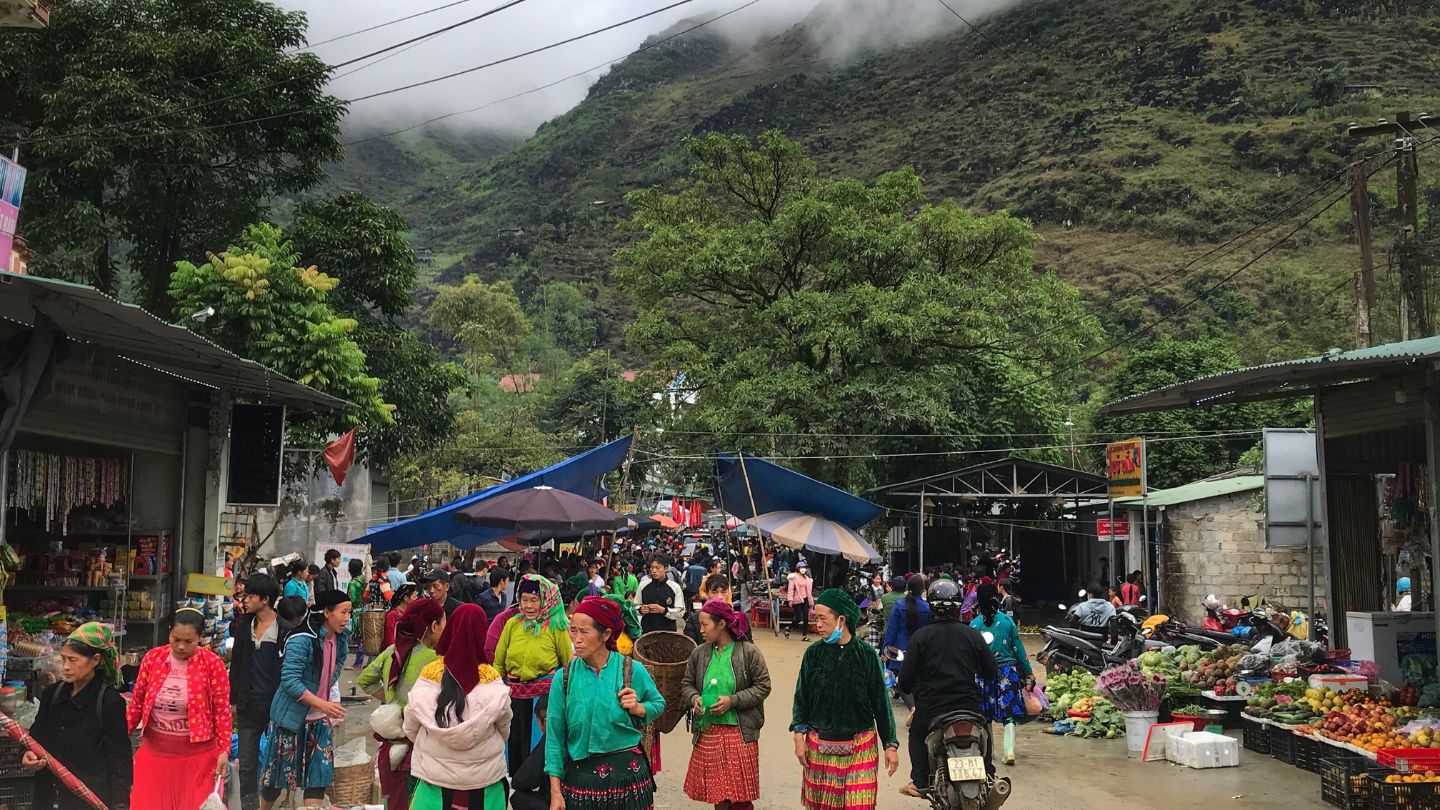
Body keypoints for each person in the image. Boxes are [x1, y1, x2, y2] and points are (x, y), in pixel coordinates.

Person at [546, 597, 665, 810]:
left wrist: (639, 708)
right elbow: (554, 737)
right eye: (573, 631)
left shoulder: (630, 669)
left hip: (629, 780)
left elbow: (658, 703)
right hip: (581, 782)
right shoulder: (564, 678)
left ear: (606, 634)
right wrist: (555, 791)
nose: (576, 640)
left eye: (584, 632)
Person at [791, 589, 899, 809]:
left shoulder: (866, 655)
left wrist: (890, 745)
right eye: (815, 618)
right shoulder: (813, 654)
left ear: (842, 619)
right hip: (819, 745)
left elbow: (881, 704)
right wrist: (798, 736)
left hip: (861, 745)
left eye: (823, 618)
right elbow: (801, 698)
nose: (818, 625)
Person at [404, 603, 513, 810]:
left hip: (433, 783)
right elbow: (504, 729)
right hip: (485, 785)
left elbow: (410, 726)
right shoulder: (492, 679)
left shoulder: (429, 675)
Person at [897, 579, 996, 797]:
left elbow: (904, 681)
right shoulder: (973, 635)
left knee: (916, 734)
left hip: (932, 708)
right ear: (958, 606)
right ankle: (989, 775)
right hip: (969, 706)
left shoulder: (920, 637)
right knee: (985, 730)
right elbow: (991, 672)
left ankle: (920, 782)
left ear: (931, 605)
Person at [127, 609, 232, 810]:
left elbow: (222, 711)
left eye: (189, 641)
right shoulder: (153, 658)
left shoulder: (212, 665)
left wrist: (223, 751)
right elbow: (137, 704)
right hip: (154, 753)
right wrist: (121, 738)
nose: (181, 646)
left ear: (200, 638)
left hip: (198, 759)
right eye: (176, 639)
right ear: (169, 634)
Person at [259, 589, 352, 809]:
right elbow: (290, 681)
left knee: (318, 779)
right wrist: (323, 704)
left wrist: (325, 702)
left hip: (319, 720)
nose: (347, 618)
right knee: (276, 780)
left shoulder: (340, 640)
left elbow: (334, 669)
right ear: (327, 613)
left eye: (349, 612)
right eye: (343, 612)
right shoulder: (301, 640)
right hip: (291, 720)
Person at [26, 623, 132, 810]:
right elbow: (37, 736)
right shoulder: (53, 694)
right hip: (48, 796)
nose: (66, 667)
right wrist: (28, 754)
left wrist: (120, 805)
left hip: (89, 799)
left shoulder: (109, 702)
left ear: (95, 660)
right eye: (63, 659)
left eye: (73, 660)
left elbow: (120, 759)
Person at [682, 599, 772, 810]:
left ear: (721, 624)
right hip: (708, 731)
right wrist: (695, 698)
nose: (701, 630)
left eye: (705, 624)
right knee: (718, 796)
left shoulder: (748, 652)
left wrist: (732, 701)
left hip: (739, 733)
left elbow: (763, 686)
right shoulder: (699, 653)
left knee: (739, 797)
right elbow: (686, 684)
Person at [358, 597, 446, 810]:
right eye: (444, 623)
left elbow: (364, 679)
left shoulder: (392, 652)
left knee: (394, 802)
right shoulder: (435, 660)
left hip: (390, 745)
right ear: (433, 626)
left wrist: (391, 701)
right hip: (418, 745)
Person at [494, 574, 573, 774]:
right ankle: (514, 779)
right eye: (524, 599)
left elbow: (567, 662)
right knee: (514, 741)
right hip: (514, 695)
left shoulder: (557, 626)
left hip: (544, 697)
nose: (528, 606)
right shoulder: (513, 624)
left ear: (545, 600)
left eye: (534, 600)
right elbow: (499, 661)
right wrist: (494, 687)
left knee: (538, 746)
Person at [230, 574, 294, 810]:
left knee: (276, 761)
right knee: (246, 763)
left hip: (275, 706)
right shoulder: (243, 626)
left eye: (249, 596)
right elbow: (236, 666)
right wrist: (233, 700)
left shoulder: (285, 630)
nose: (244, 600)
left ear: (265, 599)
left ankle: (268, 802)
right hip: (248, 704)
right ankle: (249, 806)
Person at [971, 582, 1032, 766]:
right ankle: (1009, 751)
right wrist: (1028, 672)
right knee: (1009, 714)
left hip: (983, 674)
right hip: (1008, 672)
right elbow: (1019, 650)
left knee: (985, 715)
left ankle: (988, 754)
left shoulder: (974, 625)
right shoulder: (1007, 621)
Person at [883, 574, 930, 709]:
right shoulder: (927, 608)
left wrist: (886, 650)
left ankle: (912, 706)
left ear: (908, 588)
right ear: (923, 590)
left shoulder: (898, 606)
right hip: (920, 649)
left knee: (902, 679)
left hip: (900, 649)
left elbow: (892, 630)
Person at [509, 694, 552, 810]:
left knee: (517, 797)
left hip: (559, 801)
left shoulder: (550, 740)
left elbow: (520, 781)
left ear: (541, 721)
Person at [634, 555, 686, 635]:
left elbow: (681, 612)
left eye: (658, 568)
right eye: (652, 567)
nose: (654, 571)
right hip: (647, 632)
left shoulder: (675, 587)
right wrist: (641, 610)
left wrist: (664, 610)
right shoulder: (643, 585)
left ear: (666, 569)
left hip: (668, 632)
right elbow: (635, 607)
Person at [684, 573, 732, 645]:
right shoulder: (693, 621)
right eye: (714, 592)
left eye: (723, 592)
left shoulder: (738, 620)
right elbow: (690, 648)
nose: (720, 597)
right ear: (707, 594)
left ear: (729, 593)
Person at [346, 558, 368, 669]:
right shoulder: (363, 579)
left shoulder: (353, 583)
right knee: (363, 638)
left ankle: (358, 663)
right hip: (365, 610)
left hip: (356, 613)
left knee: (359, 638)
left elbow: (352, 599)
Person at [786, 562, 816, 641]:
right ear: (798, 568)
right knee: (798, 618)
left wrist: (811, 601)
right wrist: (790, 600)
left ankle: (804, 635)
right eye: (801, 567)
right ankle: (789, 628)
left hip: (805, 599)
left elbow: (809, 591)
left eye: (804, 567)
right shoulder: (794, 577)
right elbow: (791, 589)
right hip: (797, 600)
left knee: (806, 617)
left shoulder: (807, 578)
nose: (803, 569)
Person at [387, 583, 420, 648]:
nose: (416, 599)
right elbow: (390, 638)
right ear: (405, 598)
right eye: (414, 596)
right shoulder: (393, 615)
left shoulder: (411, 612)